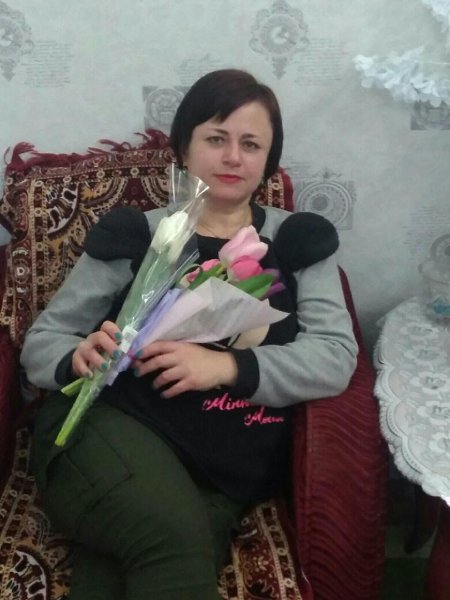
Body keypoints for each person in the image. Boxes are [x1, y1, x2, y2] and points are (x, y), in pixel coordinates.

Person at [21, 69, 358, 600]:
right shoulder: (139, 235)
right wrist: (79, 356)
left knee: (118, 576)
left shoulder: (296, 241)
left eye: (251, 145)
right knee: (176, 553)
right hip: (112, 431)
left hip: (223, 472)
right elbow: (43, 342)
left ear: (268, 160)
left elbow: (336, 357)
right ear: (184, 147)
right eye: (216, 139)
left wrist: (227, 367)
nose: (233, 157)